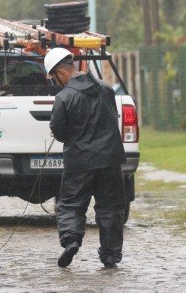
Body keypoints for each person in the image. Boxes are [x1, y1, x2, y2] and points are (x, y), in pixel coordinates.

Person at [44, 47, 127, 269]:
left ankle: (71, 241)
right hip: (110, 160)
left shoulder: (63, 97)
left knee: (71, 204)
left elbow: (60, 132)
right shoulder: (106, 89)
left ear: (60, 72)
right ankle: (110, 256)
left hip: (80, 162)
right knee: (110, 208)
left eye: (54, 77)